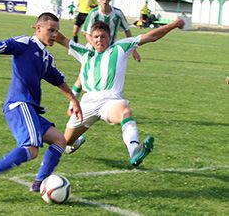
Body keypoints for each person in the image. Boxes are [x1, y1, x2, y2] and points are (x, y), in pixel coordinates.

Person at [0, 12, 83, 196]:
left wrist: (73, 100)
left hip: (30, 109)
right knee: (31, 149)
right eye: (50, 30)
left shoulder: (46, 57)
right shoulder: (24, 43)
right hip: (19, 104)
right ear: (37, 28)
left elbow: (58, 80)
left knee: (59, 140)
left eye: (56, 32)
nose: (54, 35)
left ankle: (38, 183)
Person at [54, 18, 185, 167]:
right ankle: (75, 143)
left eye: (103, 36)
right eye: (96, 37)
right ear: (90, 38)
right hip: (87, 104)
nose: (99, 40)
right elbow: (61, 39)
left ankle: (135, 150)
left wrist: (173, 25)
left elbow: (150, 36)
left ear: (109, 38)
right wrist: (42, 29)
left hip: (111, 101)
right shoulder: (84, 53)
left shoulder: (120, 47)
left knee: (125, 112)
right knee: (64, 142)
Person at [68, 0, 141, 114]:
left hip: (110, 52)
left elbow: (127, 30)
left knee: (100, 79)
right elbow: (86, 33)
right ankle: (72, 107)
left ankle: (101, 106)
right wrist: (96, 46)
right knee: (82, 77)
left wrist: (133, 50)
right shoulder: (94, 13)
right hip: (93, 50)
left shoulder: (118, 14)